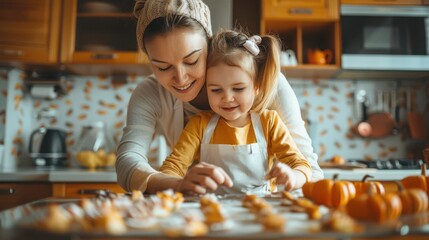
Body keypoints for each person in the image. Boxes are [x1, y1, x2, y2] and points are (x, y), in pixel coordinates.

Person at [116, 0, 323, 194]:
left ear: (209, 46)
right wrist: (177, 184)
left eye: (192, 60)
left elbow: (307, 166)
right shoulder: (152, 94)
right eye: (163, 67)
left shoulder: (267, 81)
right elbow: (129, 160)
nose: (180, 78)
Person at [158, 29, 312, 194]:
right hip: (212, 209)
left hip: (259, 209)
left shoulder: (269, 122)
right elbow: (173, 167)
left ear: (256, 87)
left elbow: (301, 165)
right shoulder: (199, 124)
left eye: (238, 89)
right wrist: (178, 183)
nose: (227, 98)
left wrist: (293, 177)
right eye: (216, 90)